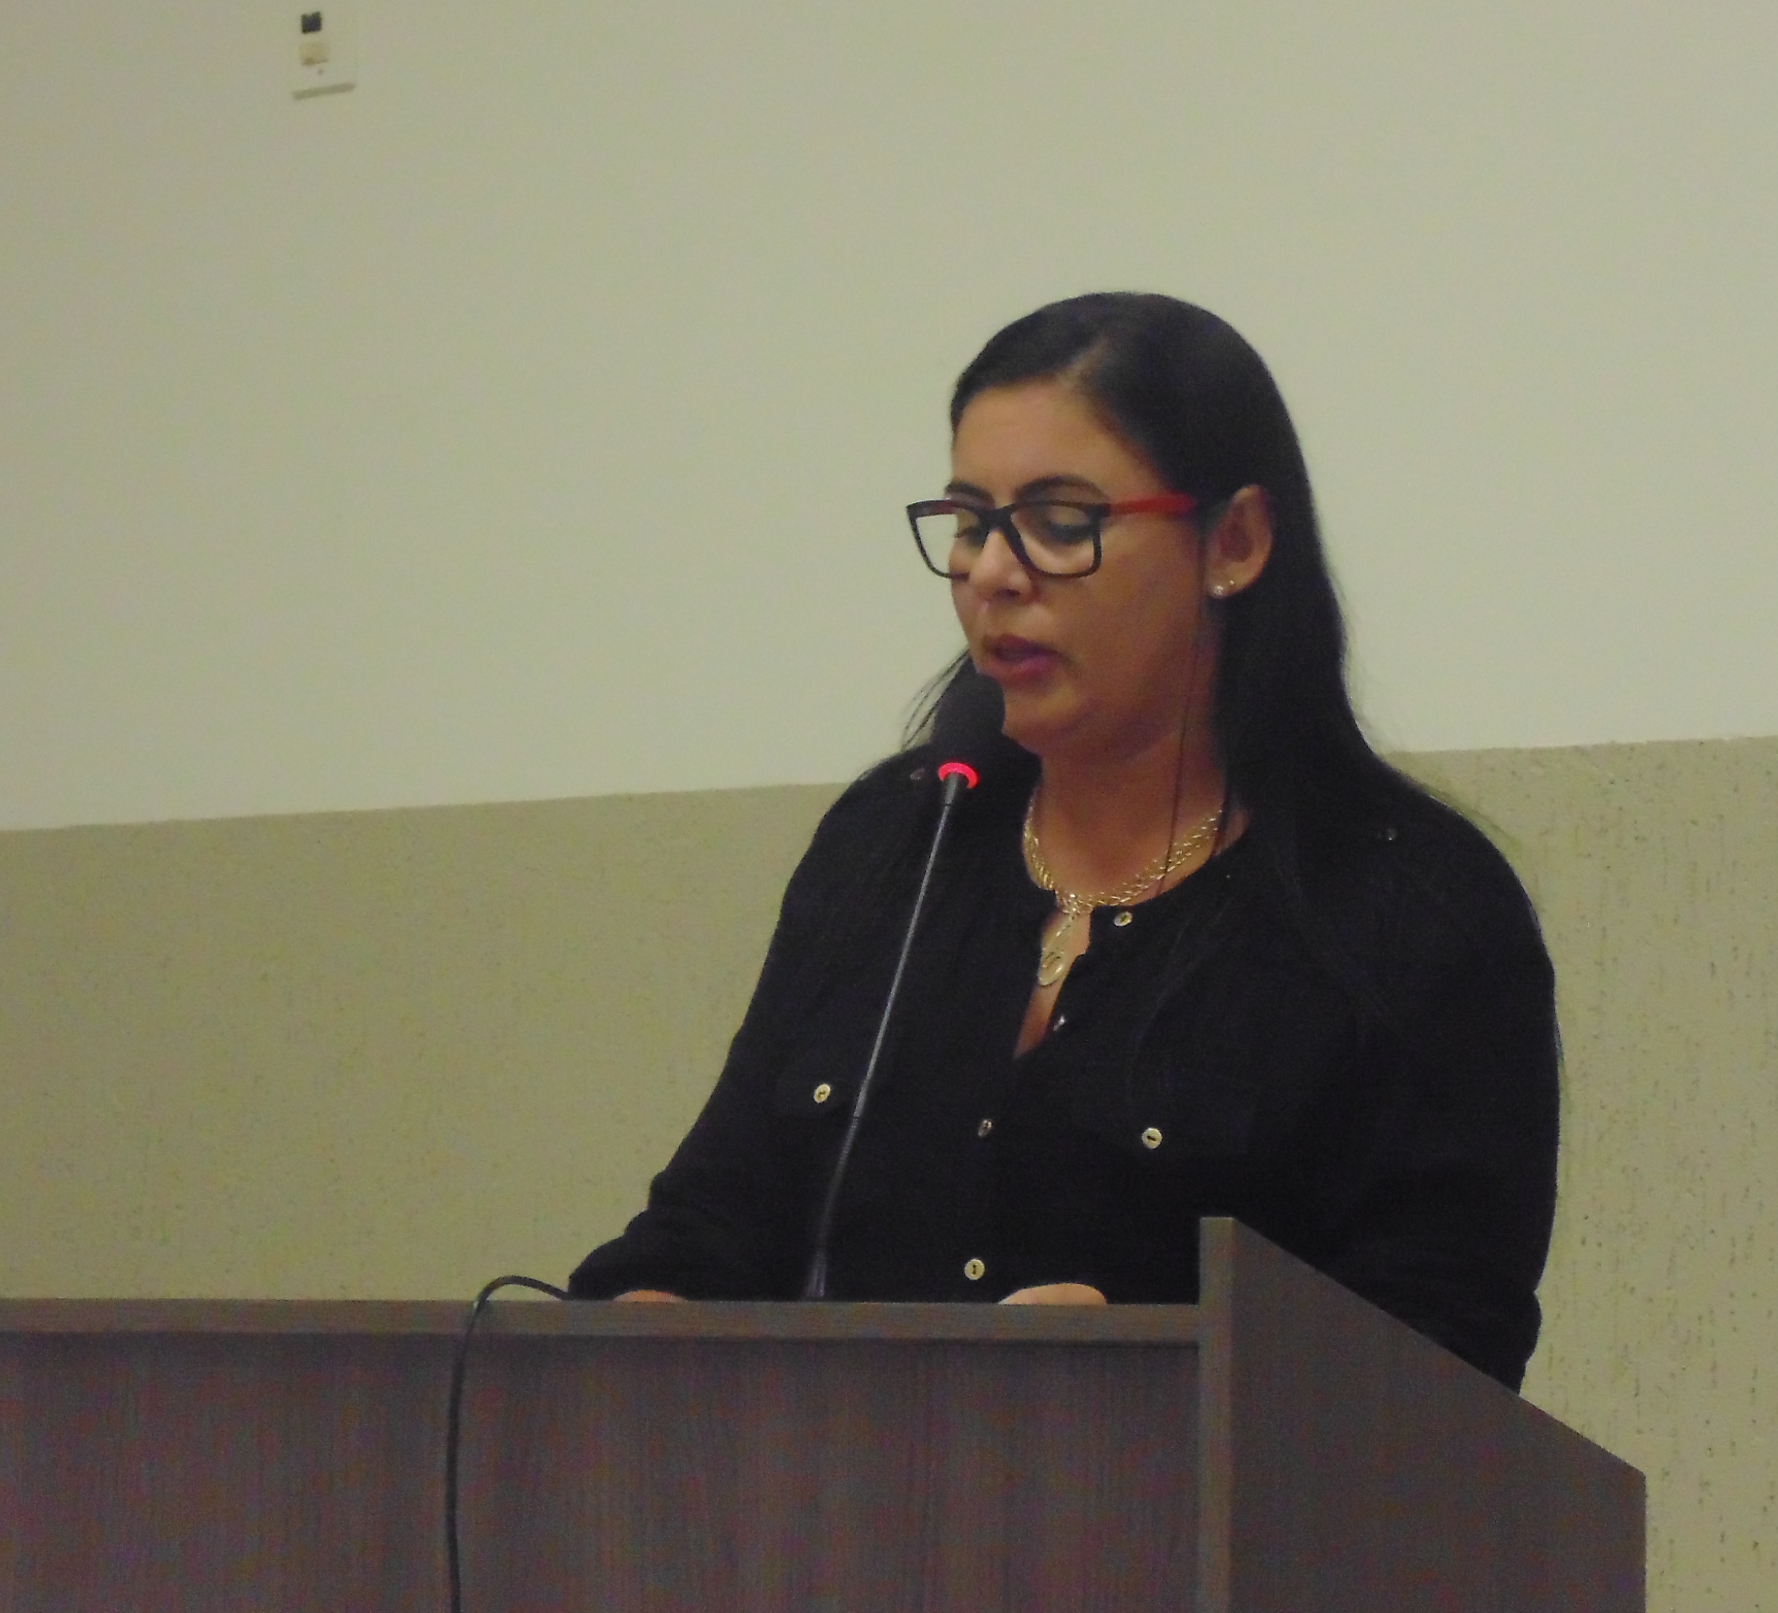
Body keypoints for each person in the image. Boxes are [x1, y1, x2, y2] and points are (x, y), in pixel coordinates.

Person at [568, 293, 1559, 1389]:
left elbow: (1449, 1351)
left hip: (1186, 1497)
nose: (993, 573)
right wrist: (642, 1319)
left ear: (1233, 542)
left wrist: (1156, 1356)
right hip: (832, 1491)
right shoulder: (895, 846)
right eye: (969, 521)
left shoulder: (1409, 905)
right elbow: (712, 1221)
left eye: (1059, 521)